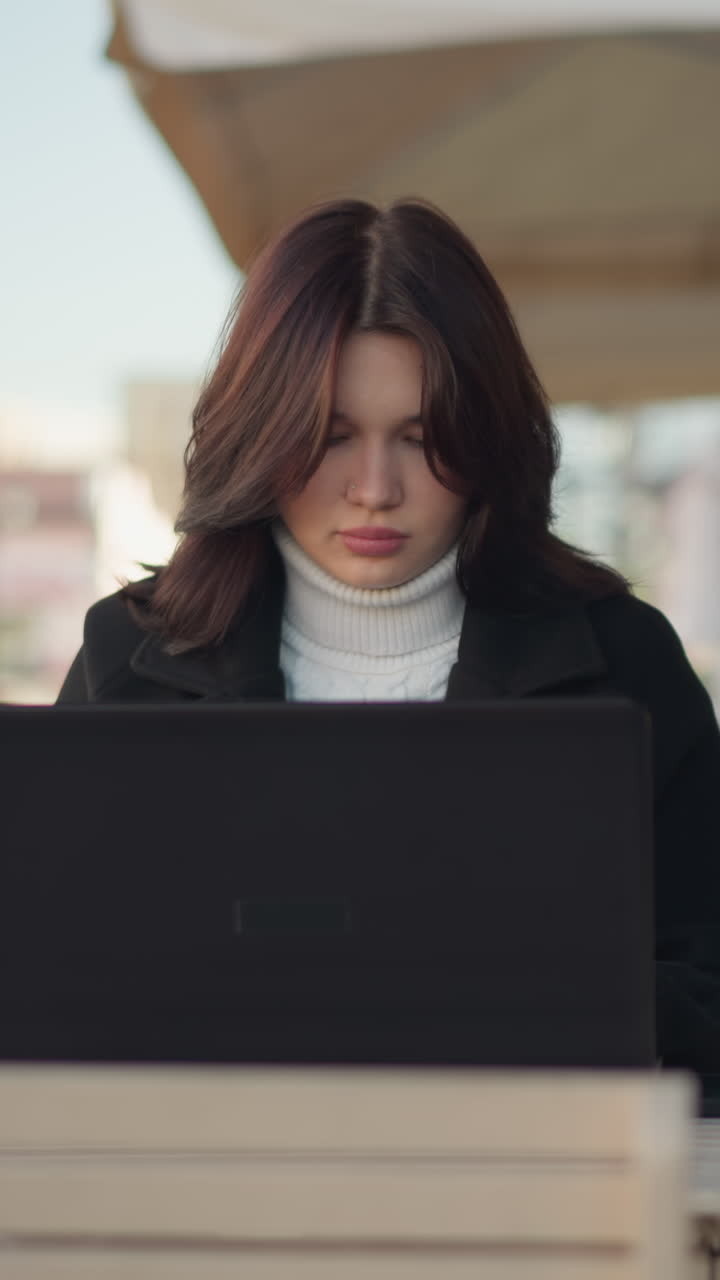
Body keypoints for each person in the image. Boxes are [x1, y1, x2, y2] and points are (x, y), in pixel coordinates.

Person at [57, 198, 720, 1074]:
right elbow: (49, 974)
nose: (375, 488)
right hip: (207, 1178)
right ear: (262, 438)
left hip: (531, 1187)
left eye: (422, 438)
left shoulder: (624, 659)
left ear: (487, 441)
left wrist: (529, 1000)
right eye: (332, 438)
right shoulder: (127, 659)